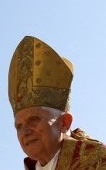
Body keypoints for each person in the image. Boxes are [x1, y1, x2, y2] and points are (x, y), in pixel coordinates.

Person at [8, 36, 106, 169]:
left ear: (64, 123)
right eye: (18, 126)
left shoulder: (98, 161)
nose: (25, 132)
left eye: (34, 119)